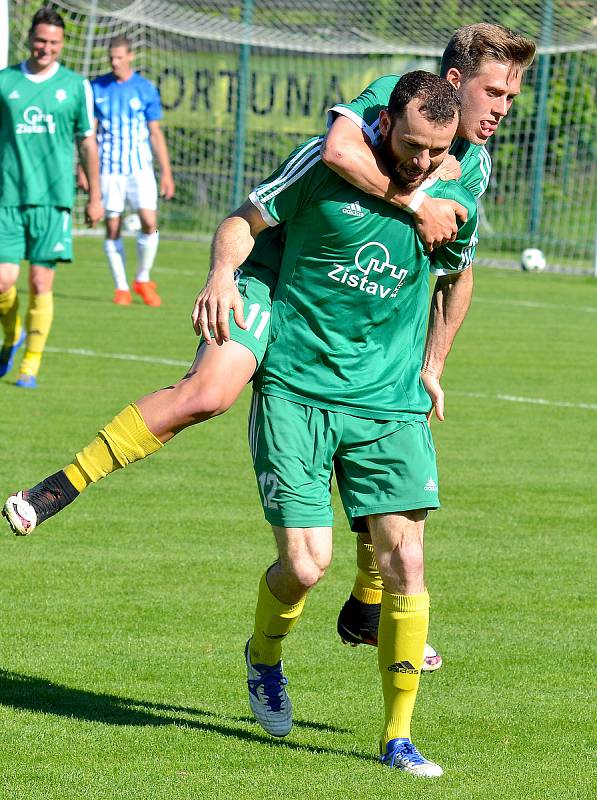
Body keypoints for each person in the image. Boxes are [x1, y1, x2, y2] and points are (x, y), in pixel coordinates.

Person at [3, 25, 534, 660]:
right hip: (274, 276)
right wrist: (410, 203)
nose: (504, 107)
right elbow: (337, 151)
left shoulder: (474, 162)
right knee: (208, 394)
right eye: (495, 91)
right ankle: (61, 484)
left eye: (511, 95)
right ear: (454, 84)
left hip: (350, 315)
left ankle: (368, 605)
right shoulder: (393, 97)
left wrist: (432, 362)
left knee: (382, 446)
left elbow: (457, 268)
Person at [235, 71, 475, 776]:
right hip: (298, 391)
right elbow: (243, 220)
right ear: (382, 123)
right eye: (409, 144)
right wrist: (223, 278)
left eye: (436, 151)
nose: (422, 161)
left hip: (388, 405)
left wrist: (431, 364)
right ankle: (264, 655)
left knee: (407, 562)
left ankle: (396, 737)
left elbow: (454, 281)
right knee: (306, 567)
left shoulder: (454, 200)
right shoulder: (324, 164)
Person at [0, 7, 103, 388]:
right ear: (29, 38)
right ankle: (11, 336)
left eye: (54, 43)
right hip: (7, 197)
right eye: (41, 40)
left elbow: (87, 141)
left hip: (53, 200)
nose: (46, 48)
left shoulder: (76, 86)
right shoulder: (4, 82)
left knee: (41, 283)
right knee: (2, 282)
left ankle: (30, 364)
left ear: (62, 45)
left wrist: (95, 194)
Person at [84, 35, 175, 307]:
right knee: (113, 226)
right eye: (111, 57)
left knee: (149, 221)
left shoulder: (145, 88)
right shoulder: (96, 87)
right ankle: (121, 287)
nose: (115, 62)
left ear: (131, 56)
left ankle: (142, 279)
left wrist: (166, 173)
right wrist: (83, 170)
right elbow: (88, 133)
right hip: (108, 169)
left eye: (120, 57)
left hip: (139, 169)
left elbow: (155, 133)